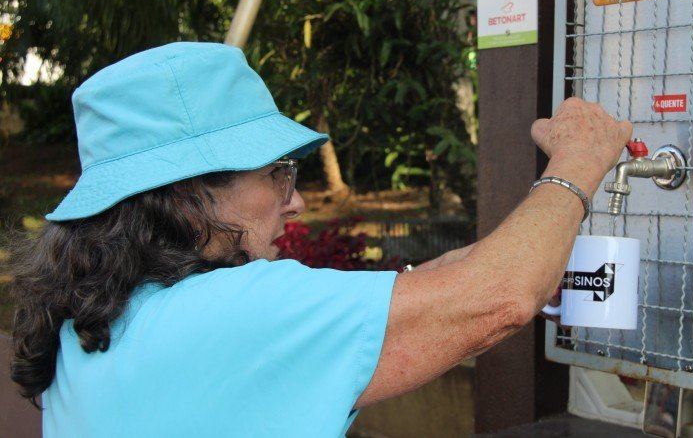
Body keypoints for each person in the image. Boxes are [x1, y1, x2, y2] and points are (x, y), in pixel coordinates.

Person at [10, 42, 631, 437]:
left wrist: (510, 254)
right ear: (185, 195)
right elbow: (500, 297)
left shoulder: (95, 317)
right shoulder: (241, 312)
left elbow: (439, 289)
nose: (297, 200)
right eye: (277, 175)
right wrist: (578, 161)